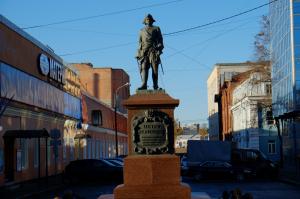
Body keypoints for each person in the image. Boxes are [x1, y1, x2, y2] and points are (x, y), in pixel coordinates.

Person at [136, 14, 164, 90]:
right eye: (147, 19)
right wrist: (138, 53)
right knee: (144, 67)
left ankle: (155, 85)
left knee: (154, 68)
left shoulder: (156, 28)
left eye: (150, 19)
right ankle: (144, 84)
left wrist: (159, 46)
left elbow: (160, 41)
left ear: (152, 20)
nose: (148, 20)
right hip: (144, 52)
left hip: (153, 51)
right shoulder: (141, 31)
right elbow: (140, 43)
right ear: (145, 21)